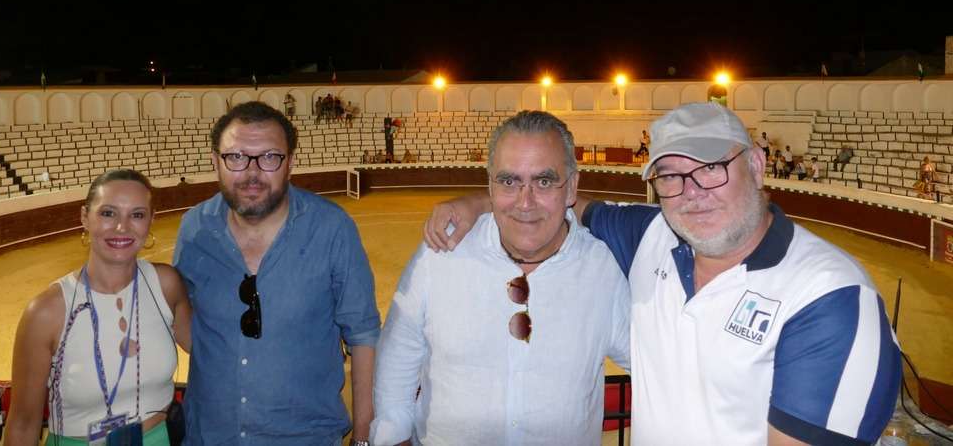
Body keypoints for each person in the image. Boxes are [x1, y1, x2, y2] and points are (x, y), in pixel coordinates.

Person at [424, 103, 902, 446]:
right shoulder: (651, 234)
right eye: (671, 175)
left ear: (757, 166)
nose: (692, 192)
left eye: (711, 167)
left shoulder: (830, 298)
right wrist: (480, 202)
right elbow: (554, 201)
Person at [372, 111, 630, 445]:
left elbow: (653, 364)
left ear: (571, 188)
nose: (525, 202)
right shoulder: (442, 253)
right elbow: (398, 355)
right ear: (490, 186)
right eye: (509, 181)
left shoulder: (602, 268)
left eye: (544, 181)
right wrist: (391, 436)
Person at [174, 101, 379, 445]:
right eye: (236, 157)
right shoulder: (194, 228)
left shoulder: (332, 227)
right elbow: (186, 319)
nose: (252, 173)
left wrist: (362, 438)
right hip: (210, 435)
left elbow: (363, 335)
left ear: (290, 163)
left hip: (305, 437)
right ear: (215, 162)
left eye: (269, 157)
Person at [4, 169, 192, 446]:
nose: (122, 227)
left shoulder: (166, 284)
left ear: (152, 220)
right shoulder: (46, 312)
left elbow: (210, 349)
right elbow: (22, 425)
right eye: (108, 213)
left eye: (137, 215)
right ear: (85, 217)